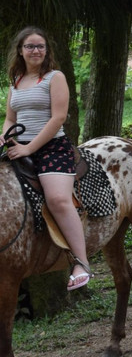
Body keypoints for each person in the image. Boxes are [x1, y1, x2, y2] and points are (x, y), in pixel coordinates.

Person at [3, 27, 93, 290]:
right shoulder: (16, 80)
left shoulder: (55, 77)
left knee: (57, 199)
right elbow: (10, 118)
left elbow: (58, 118)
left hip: (53, 148)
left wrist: (29, 148)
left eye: (40, 46)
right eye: (30, 46)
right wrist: (5, 137)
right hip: (20, 145)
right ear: (20, 51)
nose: (35, 51)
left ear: (46, 50)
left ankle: (81, 263)